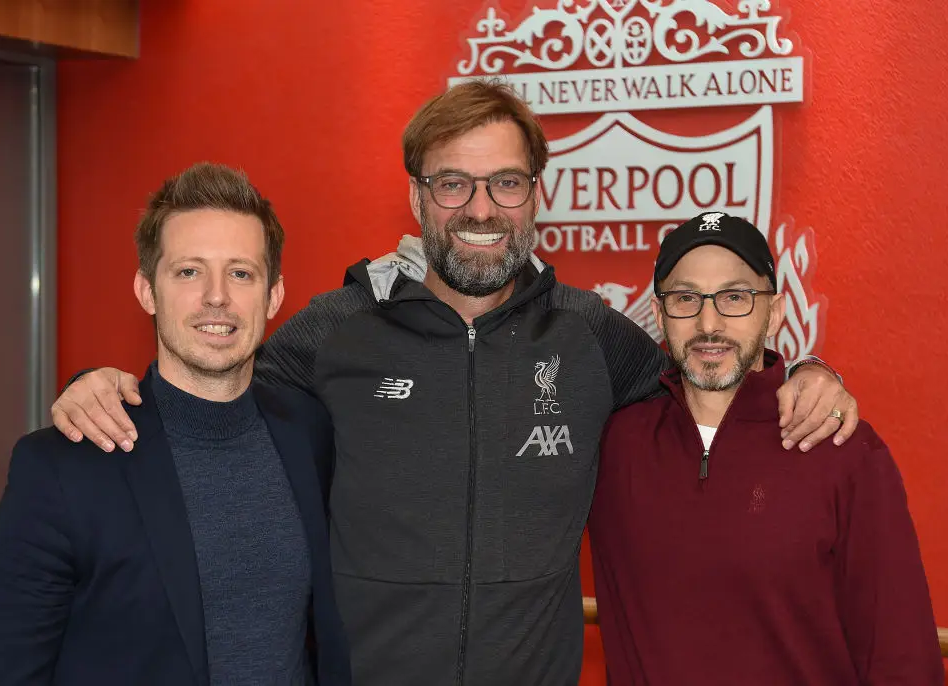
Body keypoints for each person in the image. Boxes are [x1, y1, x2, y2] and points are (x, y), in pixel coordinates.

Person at [47, 82, 858, 686]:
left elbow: (707, 381)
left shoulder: (593, 336)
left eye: (505, 182)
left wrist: (802, 373)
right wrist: (100, 382)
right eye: (453, 183)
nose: (481, 208)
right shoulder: (336, 329)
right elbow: (208, 379)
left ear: (535, 196)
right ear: (417, 195)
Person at [0, 163, 351, 686]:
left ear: (274, 296)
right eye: (189, 271)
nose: (217, 296)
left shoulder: (309, 432)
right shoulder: (62, 465)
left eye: (241, 273)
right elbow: (1, 670)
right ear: (148, 291)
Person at [588, 211, 942, 685]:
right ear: (658, 312)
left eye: (735, 297)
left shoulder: (841, 449)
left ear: (774, 311)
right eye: (686, 298)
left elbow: (901, 655)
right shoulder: (612, 444)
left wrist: (814, 369)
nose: (708, 323)